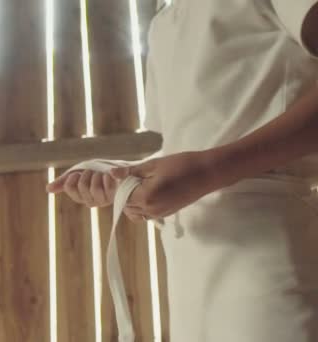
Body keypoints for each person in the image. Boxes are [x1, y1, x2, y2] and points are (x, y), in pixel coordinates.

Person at [46, 0, 318, 341]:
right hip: (188, 277)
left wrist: (207, 171)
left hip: (268, 263)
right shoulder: (163, 22)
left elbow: (203, 160)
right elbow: (189, 143)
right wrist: (128, 176)